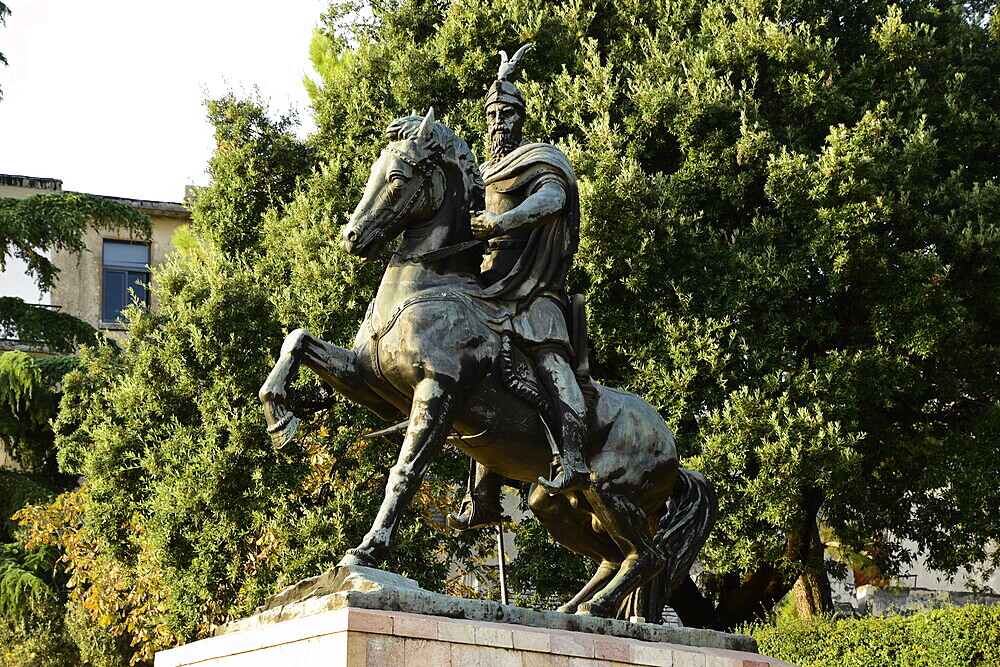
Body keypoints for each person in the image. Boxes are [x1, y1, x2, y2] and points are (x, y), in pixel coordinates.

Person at [449, 45, 591, 530]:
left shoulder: (539, 160)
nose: (497, 123)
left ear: (521, 117)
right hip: (484, 287)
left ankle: (572, 454)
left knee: (550, 362)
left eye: (507, 113)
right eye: (491, 114)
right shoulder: (477, 174)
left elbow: (552, 200)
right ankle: (484, 493)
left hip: (532, 289)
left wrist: (503, 220)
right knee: (465, 370)